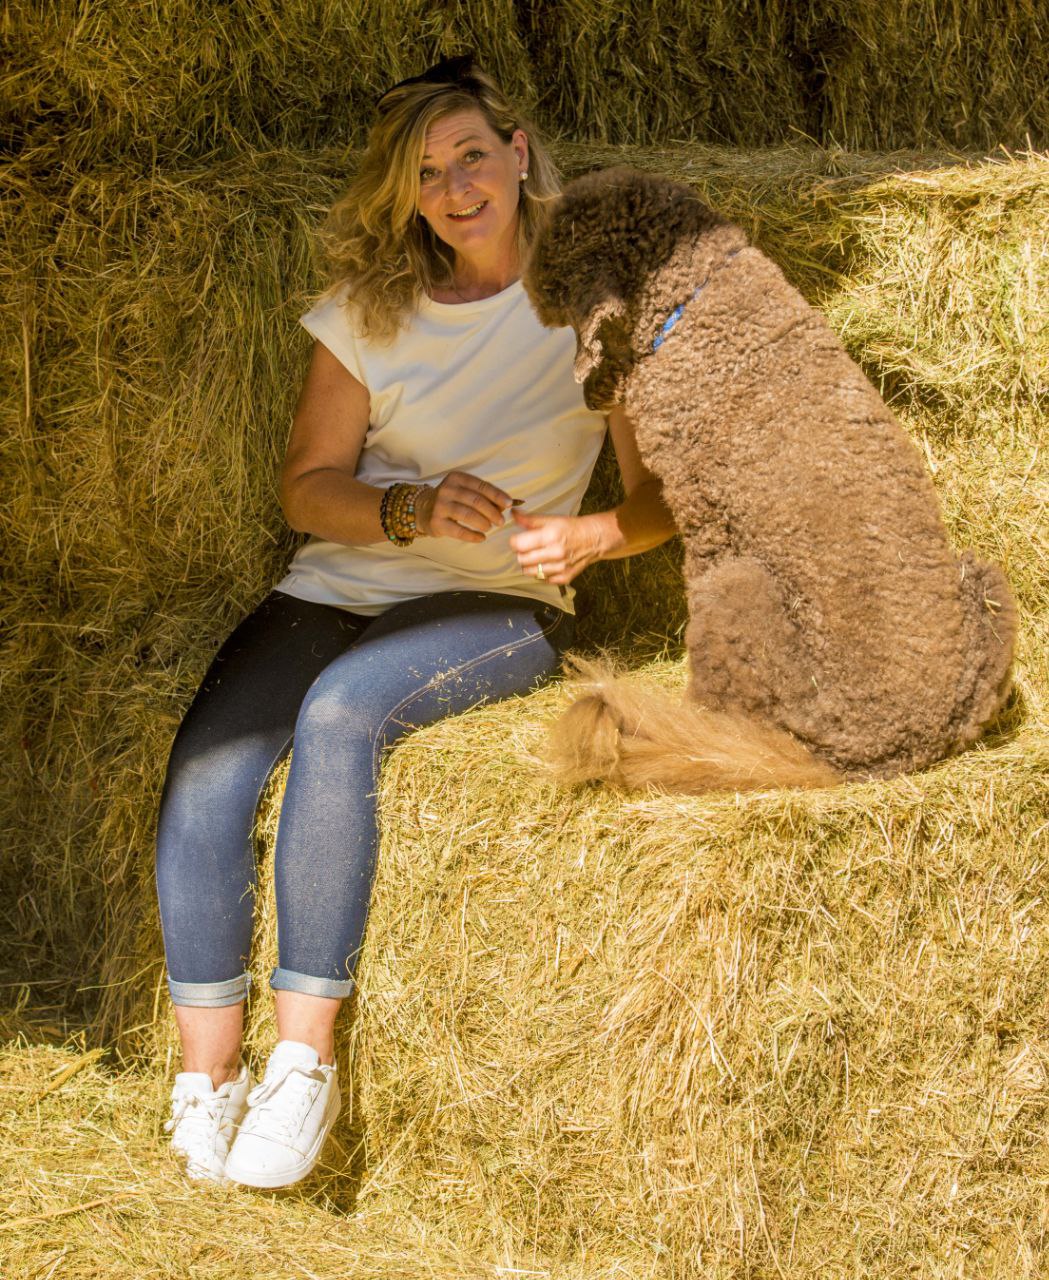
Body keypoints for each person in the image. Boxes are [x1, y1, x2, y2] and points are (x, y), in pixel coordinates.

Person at [156, 54, 677, 1189]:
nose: (452, 187)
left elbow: (657, 502)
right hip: (338, 583)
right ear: (404, 194)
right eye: (426, 172)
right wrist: (406, 503)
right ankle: (206, 1085)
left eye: (470, 157)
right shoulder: (365, 313)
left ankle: (302, 1065)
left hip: (495, 602)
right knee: (207, 767)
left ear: (518, 152)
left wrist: (586, 538)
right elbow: (306, 485)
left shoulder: (596, 305)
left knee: (343, 714)